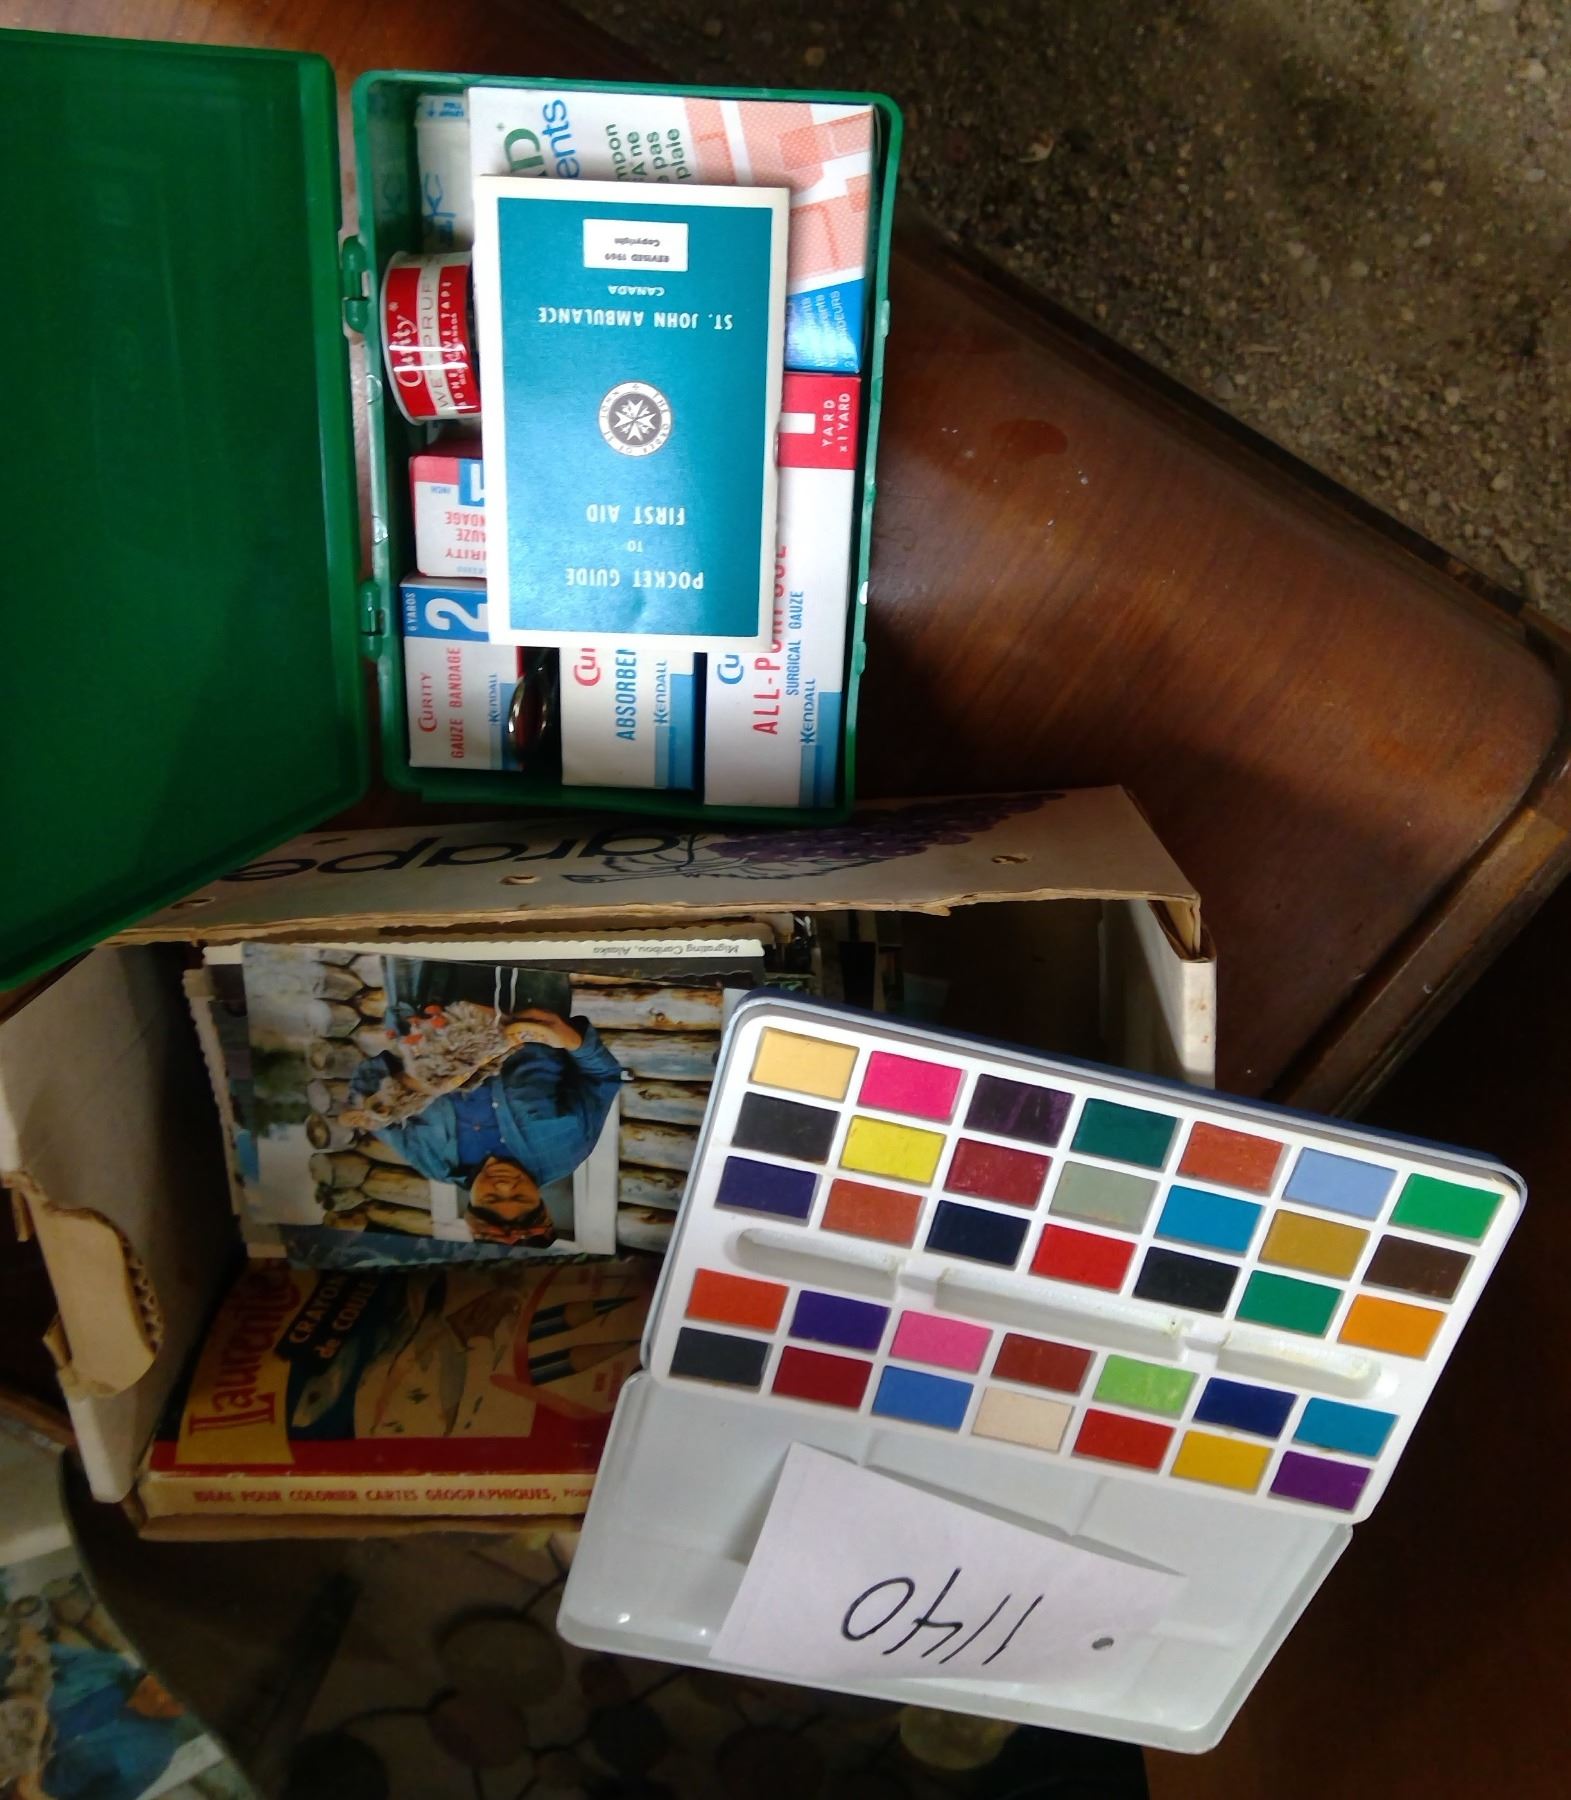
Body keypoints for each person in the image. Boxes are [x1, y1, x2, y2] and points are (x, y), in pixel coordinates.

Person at [349, 1008, 622, 1245]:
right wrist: (572, 1040)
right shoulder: (569, 1150)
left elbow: (371, 1099)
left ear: (471, 1205)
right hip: (526, 1003)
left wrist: (404, 1086)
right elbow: (602, 1077)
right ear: (541, 1202)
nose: (504, 1187)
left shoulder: (435, 1163)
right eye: (521, 1197)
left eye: (490, 1199)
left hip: (421, 1013)